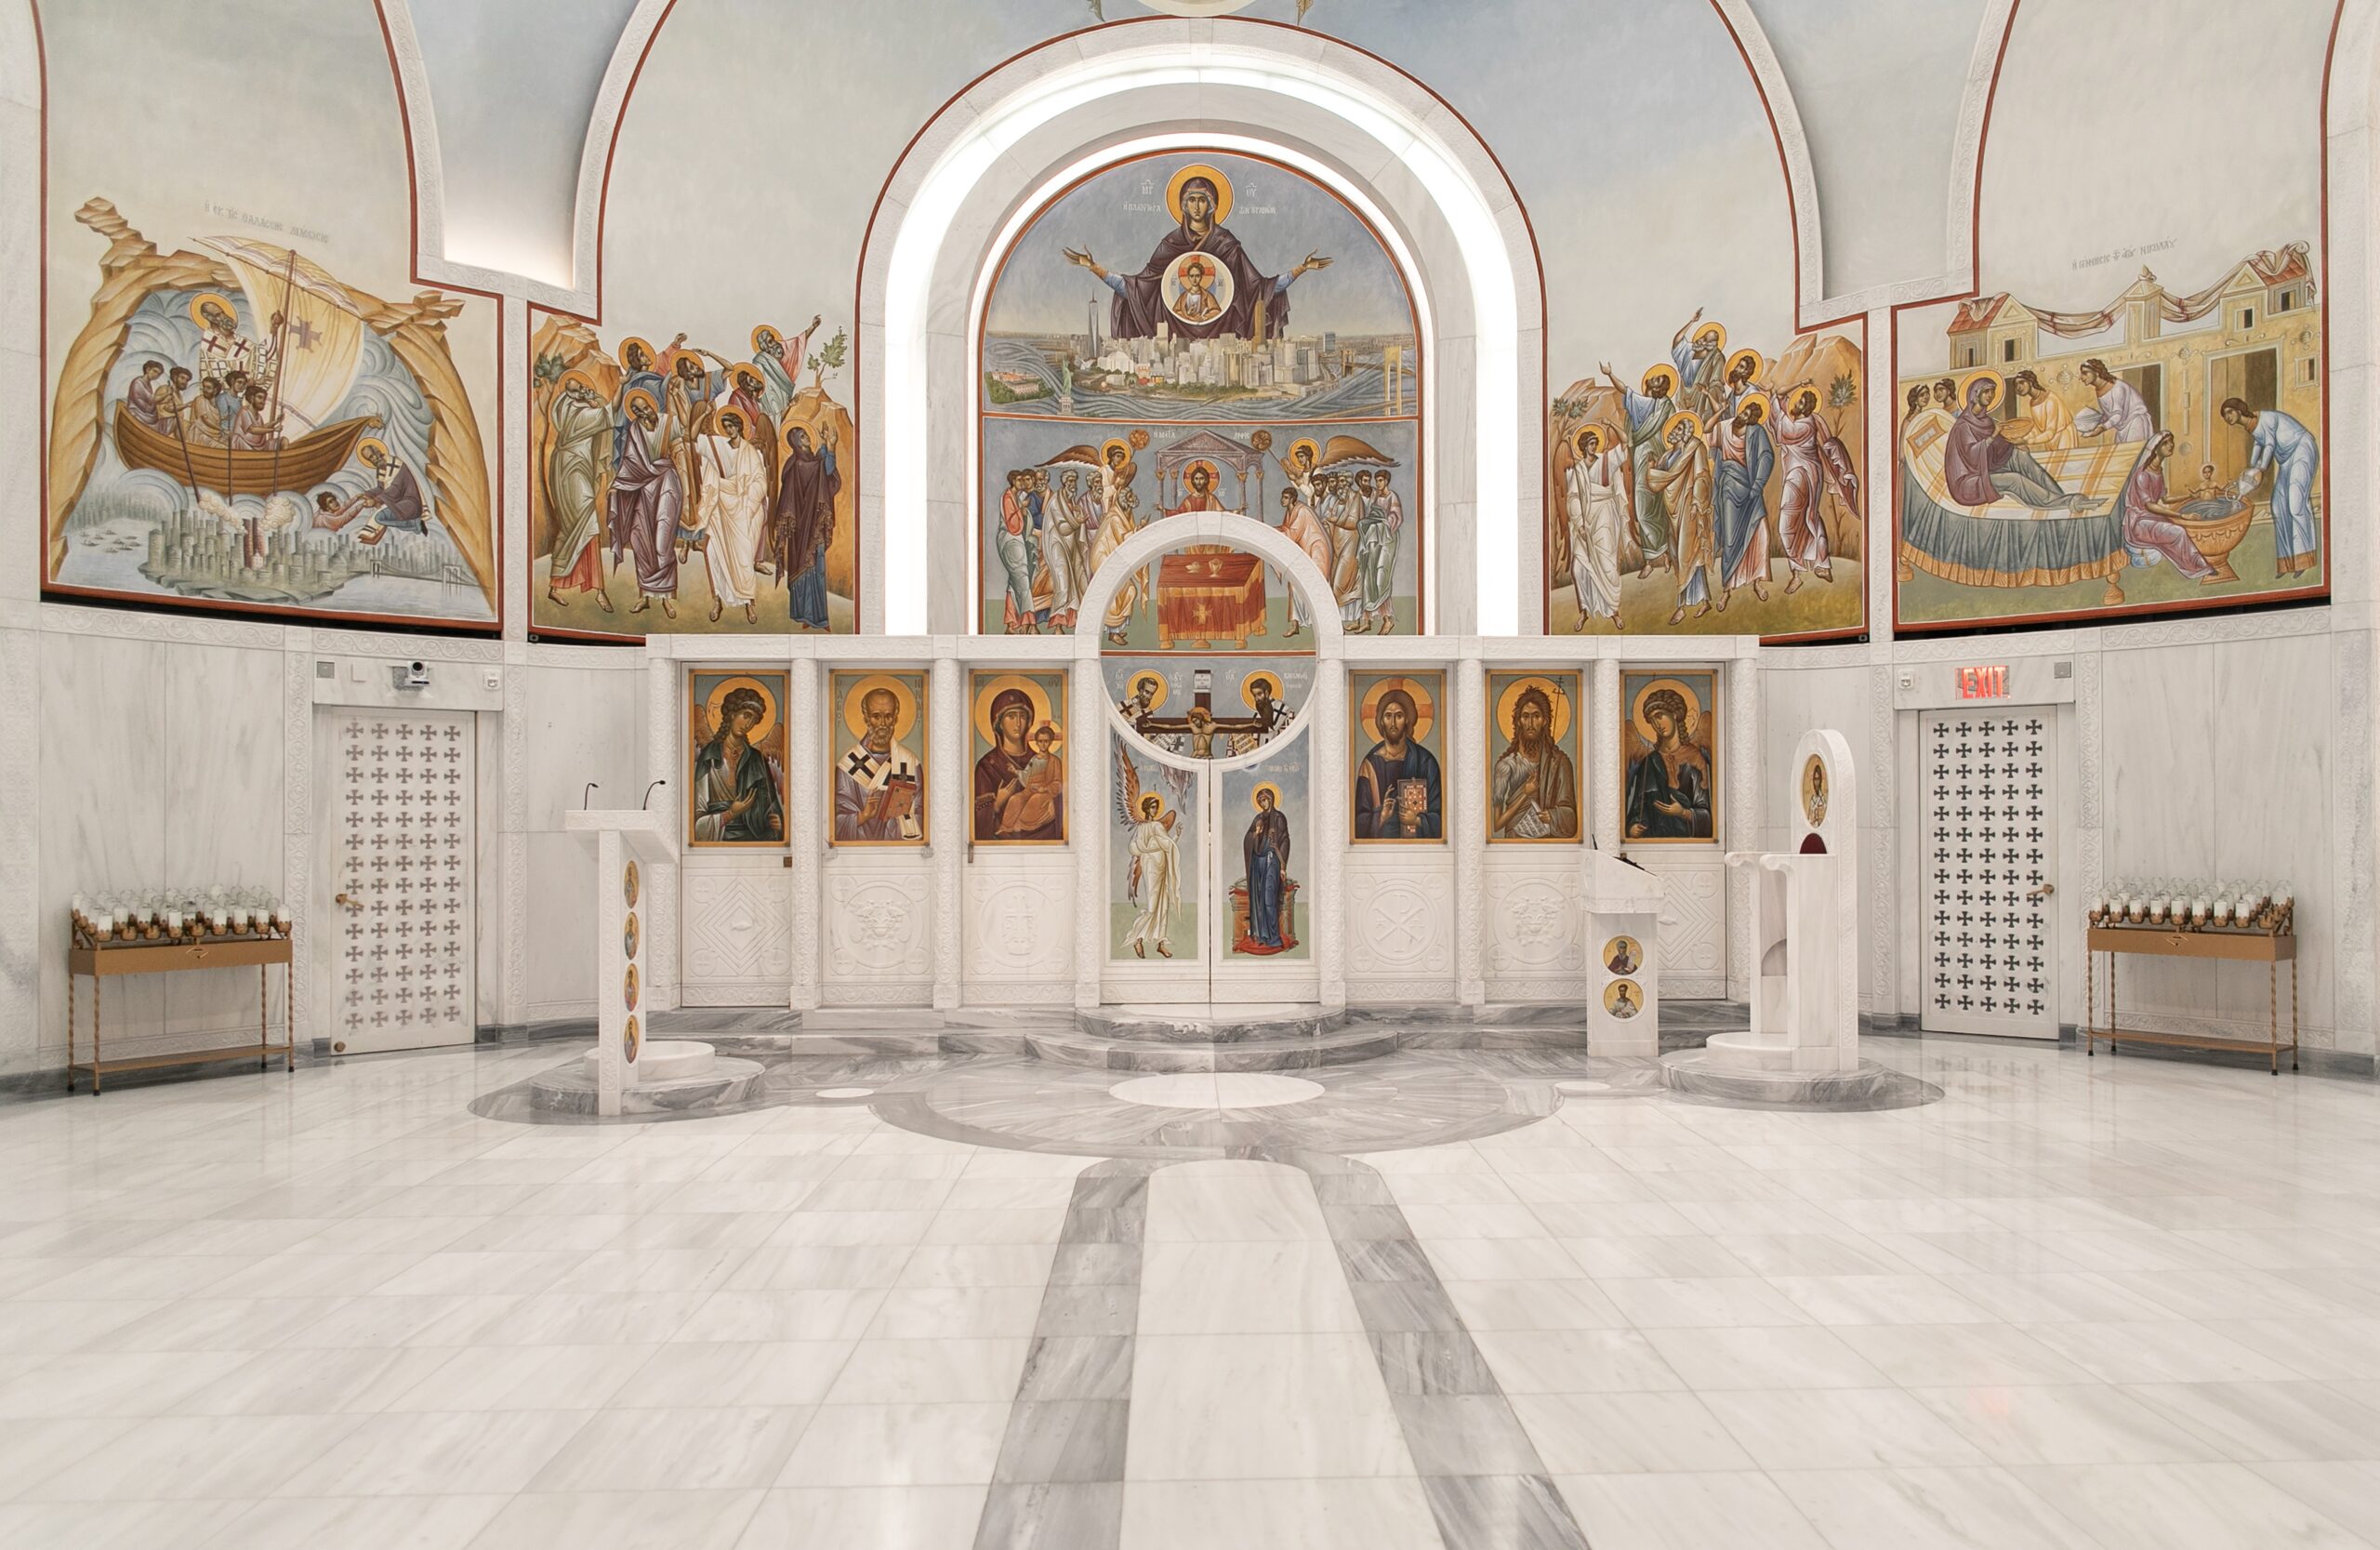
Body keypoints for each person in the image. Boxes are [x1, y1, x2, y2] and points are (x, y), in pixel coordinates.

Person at [1064, 171, 1329, 340]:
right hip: (1173, 334)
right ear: (1183, 205)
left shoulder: (1227, 244)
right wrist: (1094, 268)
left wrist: (1300, 269)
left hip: (1223, 334)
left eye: (1202, 200)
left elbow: (1259, 288)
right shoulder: (1171, 244)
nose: (1197, 206)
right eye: (1191, 200)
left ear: (1212, 204)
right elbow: (1138, 288)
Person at [1945, 377, 2095, 511]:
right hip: (1969, 482)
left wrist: (2014, 446)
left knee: (2020, 456)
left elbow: (1998, 447)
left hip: (1986, 468)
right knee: (2015, 479)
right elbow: (1972, 457)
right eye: (1986, 392)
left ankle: (2059, 496)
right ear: (1975, 395)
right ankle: (2065, 502)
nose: (1990, 395)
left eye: (1992, 392)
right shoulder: (1963, 426)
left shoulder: (1986, 420)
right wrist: (1993, 435)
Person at [2224, 397, 2320, 576]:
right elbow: (2259, 444)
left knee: (2296, 504)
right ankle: (2287, 562)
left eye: (2229, 412)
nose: (2227, 417)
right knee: (2277, 506)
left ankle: (2303, 558)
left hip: (2301, 449)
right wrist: (2250, 469)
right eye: (2224, 415)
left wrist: (2260, 469)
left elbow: (2269, 444)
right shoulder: (2251, 426)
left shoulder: (2265, 419)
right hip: (2286, 460)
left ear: (2239, 409)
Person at [608, 391, 681, 617]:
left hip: (667, 483)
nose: (643, 412)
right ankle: (646, 596)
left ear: (651, 404)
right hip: (641, 488)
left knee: (663, 540)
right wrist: (618, 484)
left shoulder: (669, 422)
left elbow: (688, 439)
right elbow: (630, 460)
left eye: (645, 407)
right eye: (637, 411)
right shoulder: (635, 430)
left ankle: (667, 597)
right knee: (640, 540)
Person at [544, 374, 613, 610]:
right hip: (571, 470)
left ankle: (595, 588)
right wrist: (607, 399)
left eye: (583, 385)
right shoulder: (575, 412)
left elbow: (601, 410)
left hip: (572, 466)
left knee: (576, 526)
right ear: (569, 392)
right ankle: (574, 587)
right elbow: (607, 415)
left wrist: (595, 400)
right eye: (576, 386)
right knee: (583, 522)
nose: (583, 388)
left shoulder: (569, 407)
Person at [695, 408, 770, 623]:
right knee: (713, 553)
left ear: (739, 427)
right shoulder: (718, 446)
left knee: (743, 558)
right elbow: (693, 438)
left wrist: (747, 502)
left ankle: (748, 603)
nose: (729, 430)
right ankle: (717, 599)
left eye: (732, 426)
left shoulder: (751, 452)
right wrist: (705, 414)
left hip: (744, 509)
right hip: (721, 506)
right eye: (726, 426)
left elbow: (760, 482)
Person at [1604, 363, 1677, 575]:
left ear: (1660, 388)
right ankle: (1648, 559)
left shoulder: (1667, 407)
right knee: (1643, 509)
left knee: (1660, 508)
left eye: (1655, 381)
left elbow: (1671, 434)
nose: (1650, 381)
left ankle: (1664, 556)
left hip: (1659, 461)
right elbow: (1625, 390)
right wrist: (1610, 374)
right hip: (1641, 460)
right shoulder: (1644, 404)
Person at [2116, 431, 2215, 582]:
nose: (2171, 445)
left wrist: (2189, 497)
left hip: (2151, 518)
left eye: (2172, 441)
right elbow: (2149, 505)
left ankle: (2197, 564)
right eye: (2166, 443)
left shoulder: (2158, 471)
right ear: (2155, 449)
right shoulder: (2143, 474)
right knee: (2178, 531)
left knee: (2183, 525)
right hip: (2139, 523)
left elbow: (2165, 499)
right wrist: (2181, 515)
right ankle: (2197, 568)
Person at [692, 685, 785, 842]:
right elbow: (698, 819)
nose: (748, 724)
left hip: (754, 833)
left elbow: (770, 802)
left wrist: (778, 821)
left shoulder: (756, 758)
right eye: (746, 716)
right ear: (732, 714)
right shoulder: (709, 756)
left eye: (754, 720)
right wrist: (730, 814)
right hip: (720, 832)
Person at [1647, 412, 1715, 624]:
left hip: (1690, 507)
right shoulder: (1667, 457)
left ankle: (1682, 606)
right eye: (1674, 429)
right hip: (1673, 512)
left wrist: (1698, 501)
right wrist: (1650, 469)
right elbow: (1657, 481)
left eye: (1678, 430)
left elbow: (1702, 475)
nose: (1673, 433)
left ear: (1685, 434)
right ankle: (1704, 600)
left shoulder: (1695, 448)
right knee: (1679, 556)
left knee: (1689, 553)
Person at [773, 423, 840, 630]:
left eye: (806, 436)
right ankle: (803, 614)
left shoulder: (811, 461)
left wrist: (829, 444)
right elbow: (822, 469)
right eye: (802, 437)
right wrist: (829, 447)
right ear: (795, 442)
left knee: (817, 569)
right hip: (799, 528)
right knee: (802, 569)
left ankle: (820, 618)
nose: (806, 439)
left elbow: (825, 471)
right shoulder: (797, 464)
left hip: (814, 524)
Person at [1491, 682, 1579, 840]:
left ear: (1545, 721)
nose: (1530, 724)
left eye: (1536, 716)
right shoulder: (1506, 765)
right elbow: (1497, 824)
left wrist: (1553, 816)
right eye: (1526, 716)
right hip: (1514, 843)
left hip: (1549, 845)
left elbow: (1571, 816)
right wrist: (1525, 794)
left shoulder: (1560, 763)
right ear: (1518, 721)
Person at [836, 686, 924, 841]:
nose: (883, 723)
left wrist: (897, 821)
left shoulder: (909, 762)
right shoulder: (848, 765)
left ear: (896, 718)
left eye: (888, 716)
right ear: (866, 718)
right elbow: (837, 820)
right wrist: (863, 816)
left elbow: (921, 814)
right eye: (876, 716)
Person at [972, 687, 1061, 841]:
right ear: (998, 723)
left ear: (1029, 722)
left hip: (1045, 839)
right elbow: (977, 824)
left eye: (1023, 717)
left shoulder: (1043, 759)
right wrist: (997, 803)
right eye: (1011, 716)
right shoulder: (987, 766)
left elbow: (1060, 793)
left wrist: (1053, 803)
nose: (1018, 723)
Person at [1624, 687, 1712, 840]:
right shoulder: (1650, 762)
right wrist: (1633, 827)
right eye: (1652, 721)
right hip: (1652, 840)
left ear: (1674, 714)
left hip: (1687, 845)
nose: (1657, 724)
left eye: (1659, 716)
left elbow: (1706, 815)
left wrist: (1683, 813)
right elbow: (1639, 808)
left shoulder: (1695, 759)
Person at [1354, 685, 1441, 840]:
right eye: (1388, 716)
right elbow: (1359, 821)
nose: (1393, 723)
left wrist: (1418, 820)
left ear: (1407, 719)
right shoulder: (1369, 765)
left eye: (1399, 716)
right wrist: (1381, 816)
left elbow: (1441, 816)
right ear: (1381, 721)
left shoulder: (1425, 762)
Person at [1565, 425, 1629, 631]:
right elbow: (1573, 498)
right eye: (1590, 443)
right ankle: (1584, 611)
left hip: (1605, 518)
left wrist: (1612, 427)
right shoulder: (1579, 469)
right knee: (1579, 568)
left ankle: (1614, 612)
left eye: (1595, 443)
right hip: (1586, 521)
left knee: (1607, 565)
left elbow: (1625, 443)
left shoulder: (1606, 462)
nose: (1593, 447)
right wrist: (1580, 525)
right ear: (1584, 446)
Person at [1714, 396, 1776, 608]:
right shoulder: (1724, 427)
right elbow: (1706, 433)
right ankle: (1727, 590)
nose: (1743, 416)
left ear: (1753, 421)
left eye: (1748, 416)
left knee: (1760, 534)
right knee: (1731, 540)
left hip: (1750, 490)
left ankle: (1757, 581)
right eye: (1743, 412)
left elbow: (1766, 457)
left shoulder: (1757, 432)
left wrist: (1757, 486)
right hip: (1730, 488)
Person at [1772, 389, 1831, 591]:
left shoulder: (1804, 426)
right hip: (1800, 474)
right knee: (1808, 520)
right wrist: (1783, 395)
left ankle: (1806, 569)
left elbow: (1784, 429)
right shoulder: (1801, 423)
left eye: (1799, 402)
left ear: (1806, 407)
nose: (1794, 404)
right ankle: (1812, 568)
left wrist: (1777, 402)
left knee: (1789, 524)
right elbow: (1779, 409)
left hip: (1801, 476)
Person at [1125, 794, 1181, 959]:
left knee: (1163, 905)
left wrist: (1176, 835)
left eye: (1156, 807)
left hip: (1161, 865)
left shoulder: (1157, 826)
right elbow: (1133, 847)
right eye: (1152, 807)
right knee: (1153, 905)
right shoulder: (1143, 828)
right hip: (1151, 866)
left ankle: (1160, 943)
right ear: (1146, 809)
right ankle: (1137, 938)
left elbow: (1167, 843)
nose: (1155, 810)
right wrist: (1147, 848)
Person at [1089, 483, 1144, 644]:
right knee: (1116, 594)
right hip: (1104, 559)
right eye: (1130, 497)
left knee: (1129, 591)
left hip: (1112, 558)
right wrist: (1139, 529)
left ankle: (1117, 629)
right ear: (1124, 500)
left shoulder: (1123, 515)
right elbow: (1124, 538)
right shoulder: (1115, 517)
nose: (1133, 499)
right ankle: (1112, 632)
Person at [1276, 485, 1334, 637]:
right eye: (1282, 497)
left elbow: (1293, 534)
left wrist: (1274, 532)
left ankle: (1323, 625)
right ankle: (1295, 624)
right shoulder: (1289, 512)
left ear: (1293, 499)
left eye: (1286, 497)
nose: (1282, 500)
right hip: (1303, 551)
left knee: (1316, 586)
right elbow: (1288, 531)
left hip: (1315, 552)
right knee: (1294, 585)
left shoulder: (1302, 511)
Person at [1041, 470, 1092, 630]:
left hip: (1071, 547)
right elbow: (1063, 528)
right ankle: (1057, 625)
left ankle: (1075, 621)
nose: (1072, 484)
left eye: (1074, 481)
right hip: (1057, 545)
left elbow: (1076, 526)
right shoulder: (1056, 501)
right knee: (1063, 583)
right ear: (1064, 483)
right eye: (1069, 481)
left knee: (1077, 581)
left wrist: (1080, 521)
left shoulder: (1072, 502)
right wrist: (1078, 522)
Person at [1242, 788, 1291, 951]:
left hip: (1272, 861)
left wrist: (1283, 866)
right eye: (1260, 801)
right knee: (1259, 900)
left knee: (1269, 899)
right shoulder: (1258, 818)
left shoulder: (1279, 818)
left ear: (1271, 799)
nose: (1263, 803)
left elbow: (1285, 840)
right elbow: (1248, 839)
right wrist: (1255, 834)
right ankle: (1262, 935)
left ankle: (1274, 938)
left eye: (1265, 799)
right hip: (1258, 863)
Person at [999, 725, 1066, 840]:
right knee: (1015, 799)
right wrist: (1015, 771)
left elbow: (1058, 783)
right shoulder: (1034, 759)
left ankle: (1020, 825)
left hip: (1045, 793)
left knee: (1034, 800)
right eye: (1040, 741)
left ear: (1050, 742)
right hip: (1029, 790)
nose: (1043, 744)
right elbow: (1026, 775)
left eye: (1046, 741)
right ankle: (1006, 827)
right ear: (1036, 743)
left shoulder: (1055, 761)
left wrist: (1045, 789)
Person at [1358, 470, 1402, 634]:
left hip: (1387, 539)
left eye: (1381, 480)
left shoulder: (1392, 496)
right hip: (1374, 539)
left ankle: (1388, 619)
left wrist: (1384, 519)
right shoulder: (1375, 496)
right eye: (1377, 480)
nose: (1378, 483)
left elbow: (1396, 517)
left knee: (1381, 578)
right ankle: (1367, 619)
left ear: (1387, 481)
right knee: (1369, 577)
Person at [996, 470, 1037, 633]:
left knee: (1015, 582)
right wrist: (1022, 509)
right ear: (1012, 481)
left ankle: (1011, 622)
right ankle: (1028, 620)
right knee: (1022, 579)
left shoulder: (1016, 497)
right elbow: (1012, 523)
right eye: (1018, 480)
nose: (1021, 483)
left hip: (1016, 539)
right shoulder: (1008, 497)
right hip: (1010, 540)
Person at [2078, 358, 2153, 444]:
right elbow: (2110, 413)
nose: (2080, 377)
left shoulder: (2117, 388)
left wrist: (2101, 428)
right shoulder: (2100, 389)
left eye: (2085, 373)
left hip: (2135, 423)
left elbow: (2117, 415)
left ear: (2097, 373)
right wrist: (2093, 421)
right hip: (2121, 428)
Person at [2006, 370, 2076, 452]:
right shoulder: (2033, 402)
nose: (2018, 387)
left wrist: (2027, 441)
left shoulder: (2050, 400)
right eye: (2016, 385)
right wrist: (2022, 439)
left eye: (2022, 382)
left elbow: (2050, 431)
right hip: (2049, 439)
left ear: (2031, 382)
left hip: (2064, 438)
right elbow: (2039, 428)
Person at [1171, 257, 1223, 324]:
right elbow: (1176, 311)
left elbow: (1216, 311)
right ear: (1188, 277)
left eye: (1197, 276)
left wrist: (1204, 317)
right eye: (1192, 276)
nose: (1194, 279)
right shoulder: (1183, 296)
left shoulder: (1207, 295)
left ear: (1201, 277)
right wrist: (1187, 314)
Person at [231, 384, 283, 450]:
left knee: (283, 441)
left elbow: (261, 428)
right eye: (260, 398)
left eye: (264, 399)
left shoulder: (259, 416)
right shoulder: (244, 412)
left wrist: (276, 421)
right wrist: (274, 430)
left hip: (259, 446)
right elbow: (252, 430)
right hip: (244, 445)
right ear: (252, 398)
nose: (263, 402)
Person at [183, 374, 229, 448]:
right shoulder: (200, 399)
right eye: (204, 387)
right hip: (200, 434)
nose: (205, 390)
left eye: (208, 388)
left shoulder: (215, 404)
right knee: (224, 449)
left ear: (215, 390)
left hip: (213, 434)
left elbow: (212, 418)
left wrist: (223, 418)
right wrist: (223, 430)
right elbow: (205, 419)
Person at [124, 359, 168, 431]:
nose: (156, 375)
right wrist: (167, 394)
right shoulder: (138, 382)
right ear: (148, 369)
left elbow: (150, 402)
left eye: (158, 374)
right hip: (137, 413)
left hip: (146, 414)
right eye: (155, 371)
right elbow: (151, 399)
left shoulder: (148, 385)